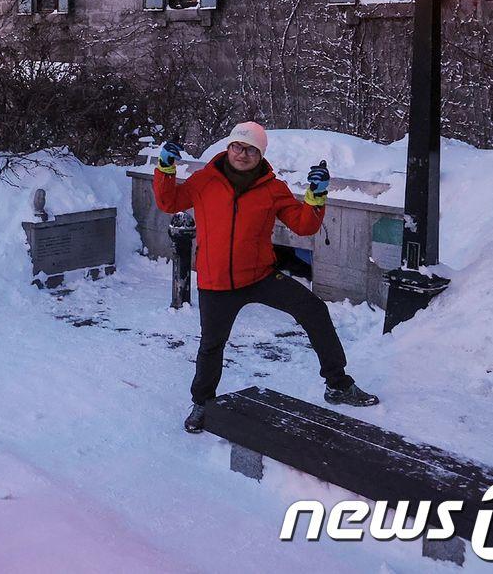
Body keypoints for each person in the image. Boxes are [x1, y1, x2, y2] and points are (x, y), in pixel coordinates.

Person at [153, 121, 380, 435]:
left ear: (261, 155)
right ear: (228, 147)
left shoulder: (273, 188)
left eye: (251, 149)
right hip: (216, 281)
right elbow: (169, 202)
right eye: (237, 146)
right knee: (212, 345)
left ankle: (338, 384)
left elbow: (304, 226)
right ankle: (203, 403)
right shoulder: (205, 180)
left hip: (259, 275)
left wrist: (316, 197)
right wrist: (165, 169)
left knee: (314, 309)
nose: (242, 154)